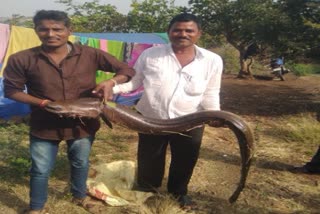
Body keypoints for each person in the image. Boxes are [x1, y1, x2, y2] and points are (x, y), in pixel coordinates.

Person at [3, 10, 135, 214]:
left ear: (69, 30)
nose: (50, 34)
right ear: (36, 30)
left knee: (80, 162)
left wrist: (110, 81)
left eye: (57, 29)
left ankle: (79, 196)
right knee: (40, 169)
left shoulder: (90, 54)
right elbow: (12, 90)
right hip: (44, 124)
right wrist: (42, 103)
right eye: (43, 29)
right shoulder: (22, 58)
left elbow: (127, 70)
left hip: (83, 124)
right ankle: (37, 207)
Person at [112, 13, 223, 210]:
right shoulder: (151, 54)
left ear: (199, 33)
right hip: (151, 118)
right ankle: (148, 191)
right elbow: (134, 83)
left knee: (185, 158)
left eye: (189, 30)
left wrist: (214, 113)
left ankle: (178, 193)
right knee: (149, 157)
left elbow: (211, 92)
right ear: (169, 32)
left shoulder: (212, 60)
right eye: (177, 30)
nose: (183, 34)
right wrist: (111, 89)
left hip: (191, 119)